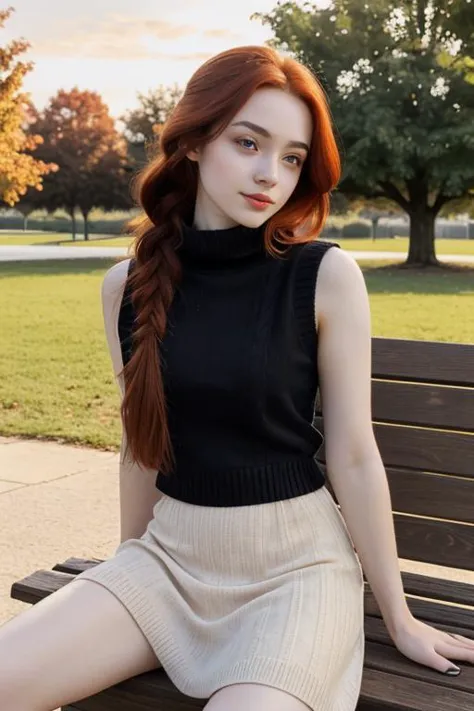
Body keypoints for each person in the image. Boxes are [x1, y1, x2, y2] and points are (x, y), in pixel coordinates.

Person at [1, 44, 472, 711]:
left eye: (291, 157)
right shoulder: (125, 289)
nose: (270, 175)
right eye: (249, 142)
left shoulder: (323, 277)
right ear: (193, 142)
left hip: (296, 574)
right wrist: (124, 570)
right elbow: (142, 447)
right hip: (167, 561)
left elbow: (355, 454)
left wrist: (397, 615)